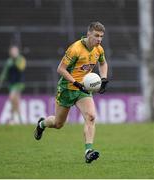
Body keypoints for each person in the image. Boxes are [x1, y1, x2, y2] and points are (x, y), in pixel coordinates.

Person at [34, 22, 109, 163]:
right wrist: (75, 82)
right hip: (67, 89)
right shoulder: (75, 49)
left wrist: (103, 79)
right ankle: (41, 124)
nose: (99, 39)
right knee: (58, 123)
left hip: (83, 90)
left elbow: (103, 63)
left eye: (101, 37)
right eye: (96, 36)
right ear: (88, 34)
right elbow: (60, 69)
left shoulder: (99, 49)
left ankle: (88, 151)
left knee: (91, 116)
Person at [0, 45, 26, 124]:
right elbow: (5, 72)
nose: (13, 52)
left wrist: (16, 59)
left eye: (15, 51)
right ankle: (19, 119)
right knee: (16, 102)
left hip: (19, 83)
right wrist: (1, 80)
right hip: (11, 84)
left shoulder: (21, 59)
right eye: (12, 51)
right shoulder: (8, 61)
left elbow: (21, 67)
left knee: (11, 97)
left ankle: (12, 118)